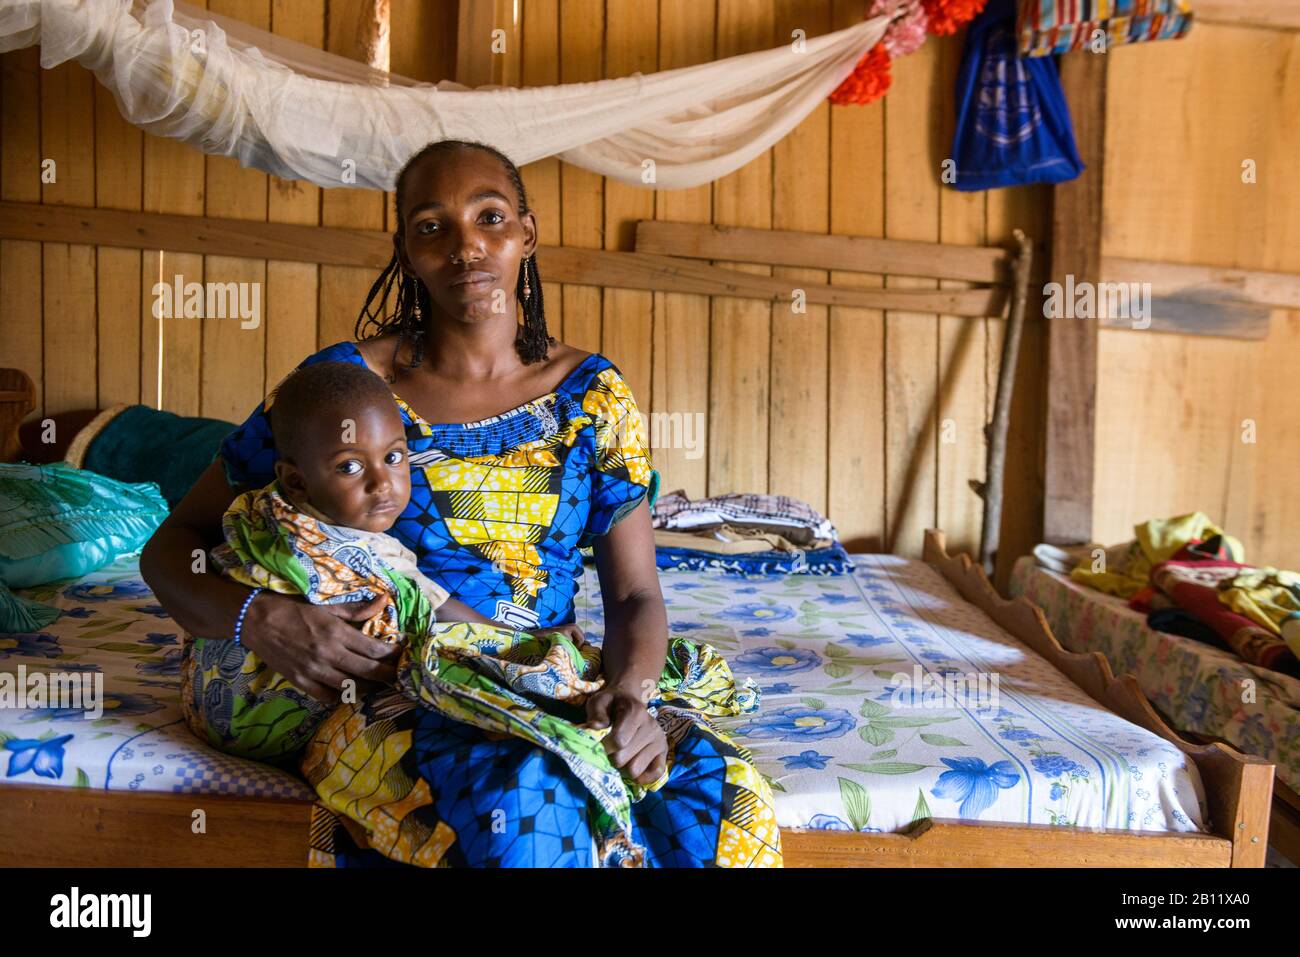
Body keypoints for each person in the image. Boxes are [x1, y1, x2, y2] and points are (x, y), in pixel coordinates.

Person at [142, 138, 782, 868]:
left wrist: (632, 696)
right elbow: (172, 546)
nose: (466, 247)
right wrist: (260, 620)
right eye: (431, 226)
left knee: (724, 797)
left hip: (542, 679)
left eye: (490, 218)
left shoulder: (594, 398)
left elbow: (636, 594)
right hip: (395, 688)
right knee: (525, 804)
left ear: (527, 234)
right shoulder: (344, 390)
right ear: (406, 249)